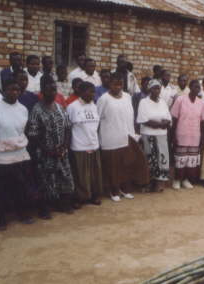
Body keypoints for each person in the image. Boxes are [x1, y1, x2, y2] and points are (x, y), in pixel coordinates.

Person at [27, 75, 75, 218]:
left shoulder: (60, 108)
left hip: (61, 151)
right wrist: (48, 150)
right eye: (49, 90)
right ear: (42, 90)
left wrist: (65, 146)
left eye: (54, 89)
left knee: (65, 177)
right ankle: (44, 209)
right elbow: (33, 135)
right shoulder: (36, 110)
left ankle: (64, 204)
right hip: (45, 153)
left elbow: (68, 127)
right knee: (45, 180)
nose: (53, 92)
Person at [97, 72, 149, 201]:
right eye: (115, 84)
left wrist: (133, 133)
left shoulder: (127, 96)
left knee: (125, 165)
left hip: (126, 136)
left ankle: (124, 189)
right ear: (110, 84)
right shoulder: (104, 99)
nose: (118, 87)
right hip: (110, 138)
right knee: (112, 166)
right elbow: (98, 119)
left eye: (120, 84)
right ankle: (113, 190)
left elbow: (130, 116)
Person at [0, 79, 34, 230]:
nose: (14, 92)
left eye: (17, 90)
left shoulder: (22, 109)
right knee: (2, 189)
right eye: (10, 89)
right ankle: (2, 218)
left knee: (21, 187)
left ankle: (22, 213)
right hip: (1, 156)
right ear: (4, 90)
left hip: (21, 154)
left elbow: (23, 130)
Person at [67, 81, 102, 207]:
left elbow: (96, 126)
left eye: (93, 91)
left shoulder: (94, 106)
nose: (93, 94)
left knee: (94, 173)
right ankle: (80, 198)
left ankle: (94, 195)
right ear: (81, 92)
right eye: (90, 91)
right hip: (79, 146)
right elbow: (68, 127)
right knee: (80, 174)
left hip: (93, 144)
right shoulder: (72, 107)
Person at [170, 80, 204, 190]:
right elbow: (174, 118)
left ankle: (186, 180)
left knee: (191, 161)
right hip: (181, 134)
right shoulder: (180, 100)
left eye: (198, 88)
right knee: (180, 160)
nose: (197, 89)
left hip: (195, 136)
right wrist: (173, 136)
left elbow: (203, 122)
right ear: (190, 87)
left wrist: (202, 137)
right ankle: (177, 180)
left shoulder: (202, 103)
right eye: (195, 87)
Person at [137, 79, 172, 192]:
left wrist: (163, 124)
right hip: (148, 135)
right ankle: (147, 183)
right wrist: (160, 124)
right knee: (149, 159)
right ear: (149, 89)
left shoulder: (162, 102)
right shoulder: (144, 102)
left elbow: (168, 118)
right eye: (155, 88)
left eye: (159, 88)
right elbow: (144, 120)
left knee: (161, 159)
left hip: (161, 135)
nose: (157, 90)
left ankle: (159, 183)